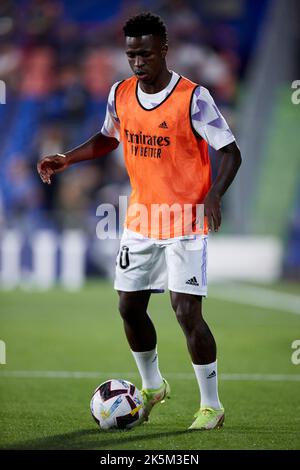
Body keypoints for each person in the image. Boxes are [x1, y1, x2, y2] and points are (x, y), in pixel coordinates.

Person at [37, 12, 242, 430]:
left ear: (164, 50)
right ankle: (152, 386)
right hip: (141, 217)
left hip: (185, 219)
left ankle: (211, 405)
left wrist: (214, 195)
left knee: (185, 311)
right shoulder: (121, 93)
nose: (137, 62)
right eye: (131, 54)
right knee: (128, 306)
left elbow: (230, 151)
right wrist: (67, 159)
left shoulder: (193, 97)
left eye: (145, 53)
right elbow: (108, 137)